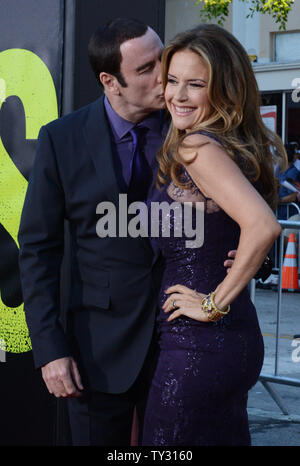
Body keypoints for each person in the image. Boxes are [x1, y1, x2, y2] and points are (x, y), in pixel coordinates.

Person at [18, 18, 267, 446]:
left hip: (186, 342)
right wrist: (50, 349)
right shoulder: (62, 139)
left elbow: (250, 212)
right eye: (149, 68)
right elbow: (38, 251)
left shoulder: (189, 128)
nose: (164, 78)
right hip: (99, 351)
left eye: (163, 59)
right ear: (110, 81)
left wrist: (239, 266)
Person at [141, 24, 285, 446]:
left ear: (223, 90)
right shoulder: (229, 144)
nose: (178, 96)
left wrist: (210, 304)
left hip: (197, 348)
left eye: (195, 85)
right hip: (228, 342)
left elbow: (263, 226)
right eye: (172, 81)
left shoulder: (197, 148)